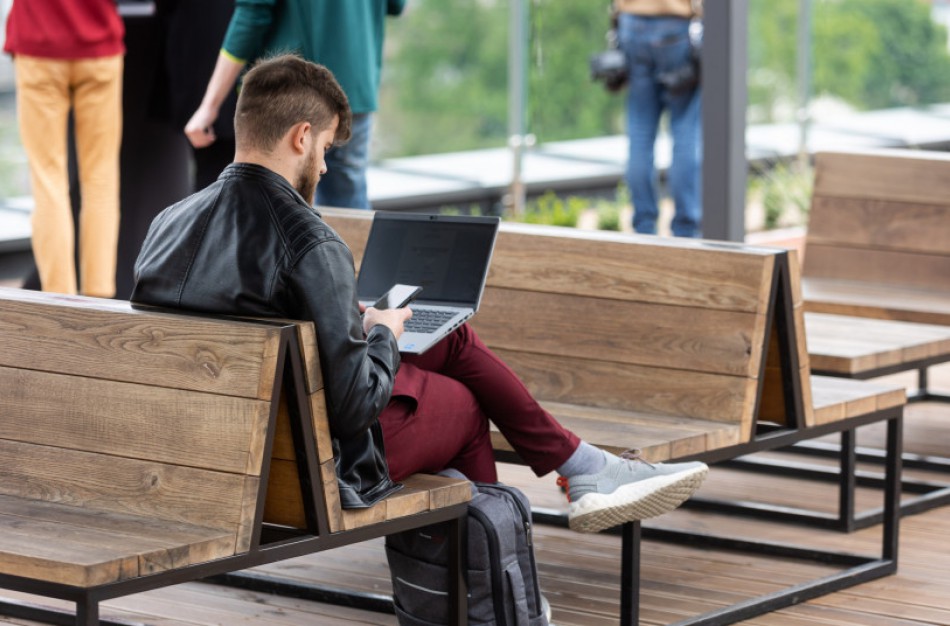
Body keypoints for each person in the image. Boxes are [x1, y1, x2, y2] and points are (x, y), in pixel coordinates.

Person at [132, 54, 708, 534]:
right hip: (305, 468)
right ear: (300, 136)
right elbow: (356, 405)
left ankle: (577, 472)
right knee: (462, 403)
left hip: (204, 450)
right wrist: (382, 331)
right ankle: (501, 591)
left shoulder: (166, 225)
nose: (327, 164)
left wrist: (354, 320)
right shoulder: (311, 242)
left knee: (450, 342)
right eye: (327, 147)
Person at [182, 0, 405, 210]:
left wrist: (209, 105)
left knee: (279, 208)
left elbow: (252, 13)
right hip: (356, 85)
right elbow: (396, 5)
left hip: (291, 93)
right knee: (348, 204)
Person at [4, 0, 125, 297]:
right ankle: (98, 300)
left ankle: (59, 299)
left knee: (48, 181)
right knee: (101, 180)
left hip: (37, 46)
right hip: (99, 45)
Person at [615, 0, 703, 238]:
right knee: (686, 132)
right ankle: (687, 228)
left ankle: (643, 226)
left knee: (640, 133)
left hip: (631, 22)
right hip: (677, 23)